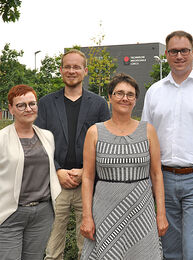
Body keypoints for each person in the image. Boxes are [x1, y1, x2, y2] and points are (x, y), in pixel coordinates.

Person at [142, 30, 193, 259]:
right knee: (168, 249)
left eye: (184, 50)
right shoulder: (155, 92)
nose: (179, 56)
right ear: (166, 54)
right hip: (163, 180)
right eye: (174, 51)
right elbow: (146, 139)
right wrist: (149, 181)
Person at [80, 73, 168, 259]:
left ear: (136, 100)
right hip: (105, 209)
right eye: (119, 93)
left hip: (141, 209)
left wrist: (161, 214)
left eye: (130, 94)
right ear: (110, 97)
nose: (124, 98)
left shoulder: (148, 130)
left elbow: (157, 174)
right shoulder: (95, 132)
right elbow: (87, 177)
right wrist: (87, 216)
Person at [35, 49, 110, 259]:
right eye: (67, 66)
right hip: (55, 184)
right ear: (60, 70)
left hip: (88, 184)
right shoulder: (47, 103)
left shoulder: (99, 104)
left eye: (76, 67)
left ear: (85, 71)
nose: (71, 70)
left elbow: (105, 144)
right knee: (52, 249)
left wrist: (87, 171)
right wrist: (57, 170)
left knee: (87, 249)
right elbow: (39, 143)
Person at [0, 85, 61, 260]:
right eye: (21, 105)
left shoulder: (47, 136)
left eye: (32, 103)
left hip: (42, 214)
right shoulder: (2, 139)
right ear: (11, 108)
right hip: (10, 214)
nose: (28, 109)